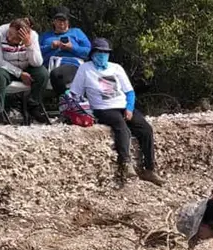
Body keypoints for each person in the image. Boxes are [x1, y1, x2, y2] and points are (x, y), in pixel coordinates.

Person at [69, 38, 165, 185]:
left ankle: (149, 169)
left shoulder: (116, 68)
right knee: (121, 127)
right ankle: (126, 163)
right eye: (99, 52)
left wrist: (129, 108)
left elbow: (130, 92)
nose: (102, 55)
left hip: (122, 105)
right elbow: (75, 93)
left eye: (105, 52)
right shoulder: (85, 69)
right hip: (103, 108)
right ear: (93, 53)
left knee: (146, 129)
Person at [0, 17, 49, 123]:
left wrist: (29, 45)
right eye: (9, 34)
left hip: (26, 66)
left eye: (15, 38)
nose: (10, 39)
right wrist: (19, 73)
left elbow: (37, 63)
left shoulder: (33, 36)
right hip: (6, 68)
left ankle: (33, 105)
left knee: (42, 73)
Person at [39, 5, 89, 91]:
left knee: (57, 74)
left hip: (71, 65)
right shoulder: (45, 36)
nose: (61, 23)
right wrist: (50, 47)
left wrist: (72, 47)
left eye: (64, 20)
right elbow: (36, 52)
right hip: (49, 66)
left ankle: (66, 99)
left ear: (68, 21)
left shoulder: (76, 32)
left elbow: (88, 51)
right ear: (53, 21)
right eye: (58, 20)